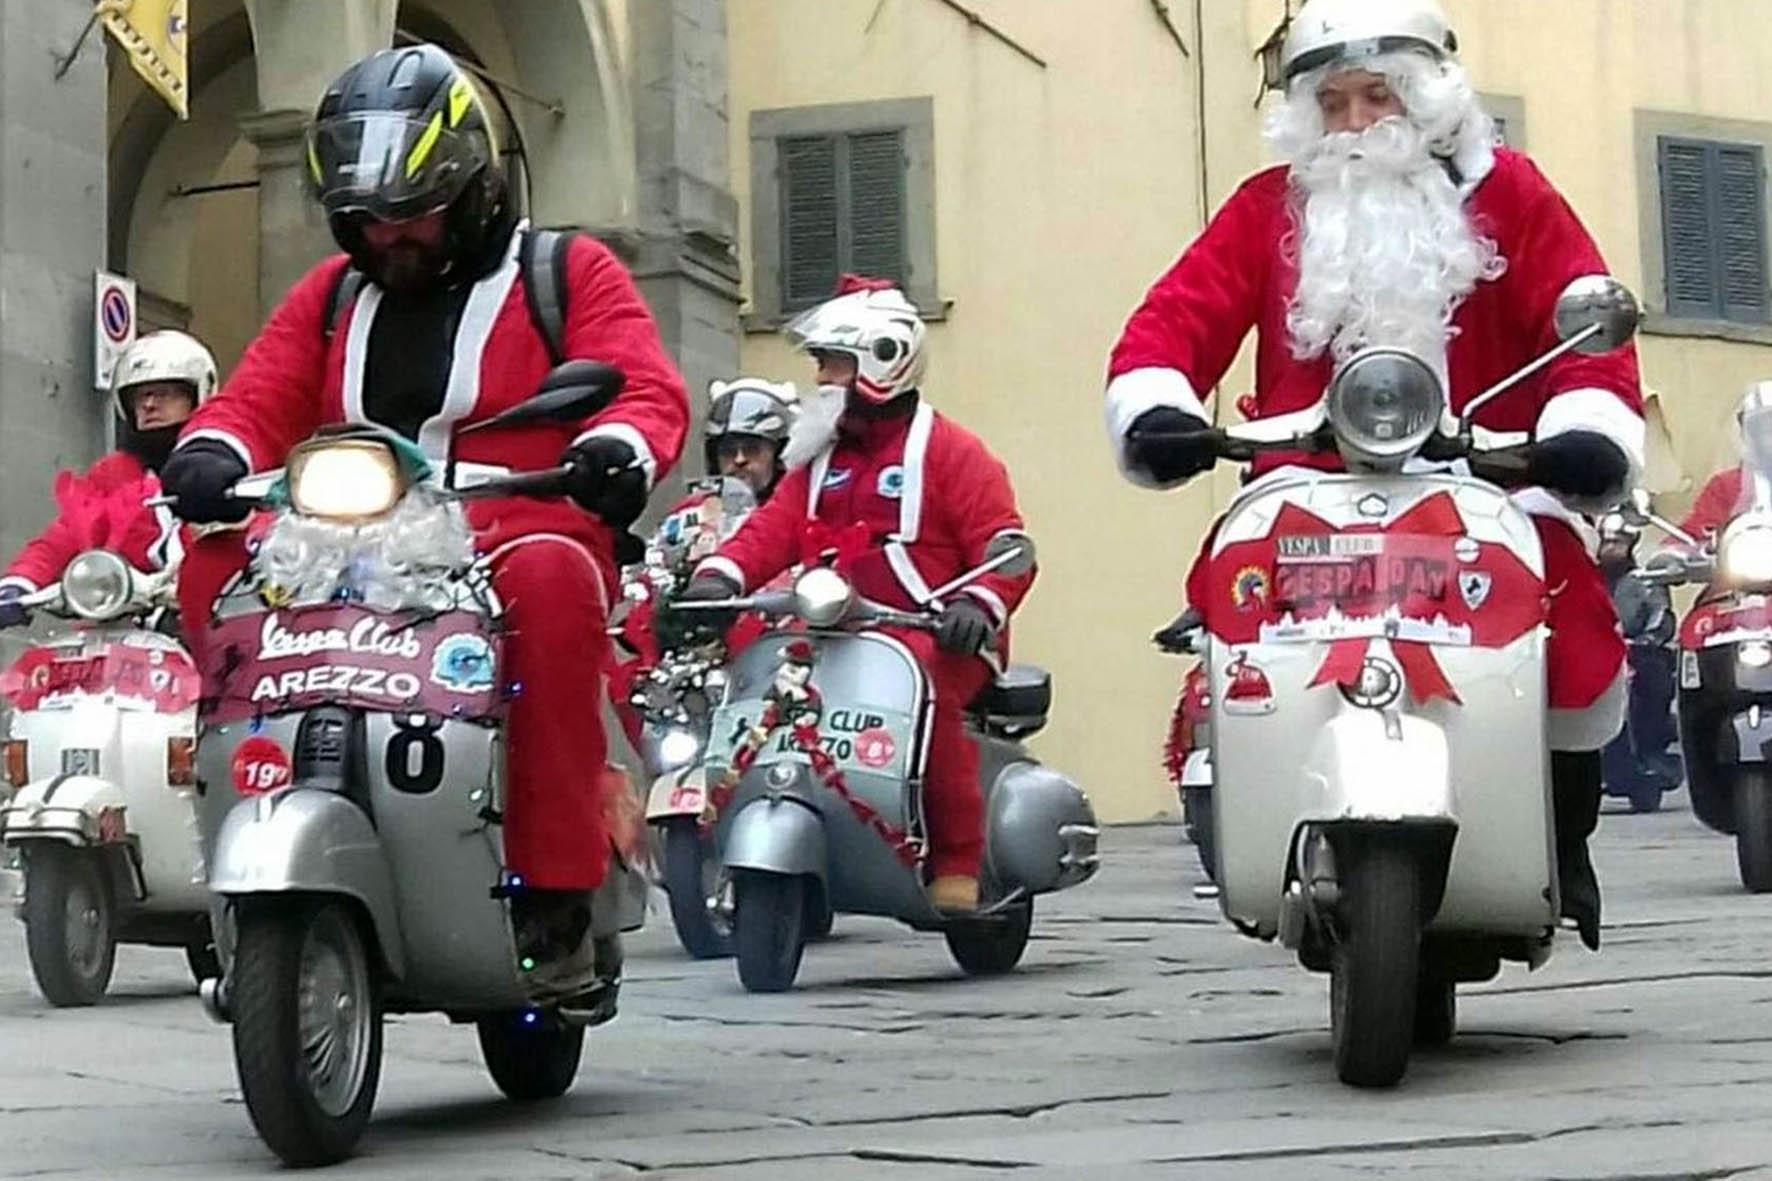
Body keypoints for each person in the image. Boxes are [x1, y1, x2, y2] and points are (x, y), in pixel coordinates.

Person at [1103, 0, 1644, 948]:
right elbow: (1175, 320)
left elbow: (1580, 322)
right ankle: (1247, 806)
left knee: (1569, 629)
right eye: (1336, 103)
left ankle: (1562, 827)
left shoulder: (1511, 195)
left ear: (1427, 98)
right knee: (1226, 633)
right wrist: (1158, 406)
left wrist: (1582, 426)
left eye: (1378, 98)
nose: (1357, 126)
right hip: (1306, 491)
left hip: (1484, 488)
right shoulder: (1266, 209)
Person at [158, 44, 688, 987]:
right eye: (366, 220)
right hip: (342, 532)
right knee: (212, 570)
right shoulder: (328, 298)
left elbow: (644, 387)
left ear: (476, 187)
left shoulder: (567, 270)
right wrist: (210, 452)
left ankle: (556, 887)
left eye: (416, 213)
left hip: (515, 521)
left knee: (551, 584)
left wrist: (617, 450)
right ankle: (243, 812)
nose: (392, 237)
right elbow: (257, 397)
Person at [676, 276, 1034, 914]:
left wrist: (974, 606)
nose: (820, 378)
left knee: (929, 695)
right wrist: (718, 578)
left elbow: (1005, 543)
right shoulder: (815, 458)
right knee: (755, 684)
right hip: (828, 629)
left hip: (927, 629)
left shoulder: (952, 451)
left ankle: (956, 858)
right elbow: (768, 532)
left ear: (882, 359)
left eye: (830, 363)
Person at [611, 377, 798, 746]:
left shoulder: (802, 513)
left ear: (779, 454)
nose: (739, 460)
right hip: (695, 678)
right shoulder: (691, 514)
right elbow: (654, 568)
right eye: (729, 450)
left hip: (780, 668)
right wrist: (640, 612)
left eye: (753, 448)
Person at [0, 330, 218, 622]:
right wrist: (19, 583)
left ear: (198, 396)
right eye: (140, 396)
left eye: (163, 393)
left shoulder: (224, 466)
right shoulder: (112, 475)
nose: (149, 404)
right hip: (120, 627)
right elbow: (62, 537)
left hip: (211, 623)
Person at [1598, 518, 1681, 806]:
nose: (1611, 550)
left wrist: (1646, 640)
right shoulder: (1586, 577)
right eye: (1607, 542)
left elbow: (1662, 618)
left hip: (1639, 652)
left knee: (1652, 676)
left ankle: (1649, 750)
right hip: (1598, 651)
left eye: (1618, 543)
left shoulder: (1645, 580)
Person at [1679, 382, 1772, 542]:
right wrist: (1674, 554)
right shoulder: (1727, 486)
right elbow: (1689, 540)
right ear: (1753, 435)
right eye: (1768, 430)